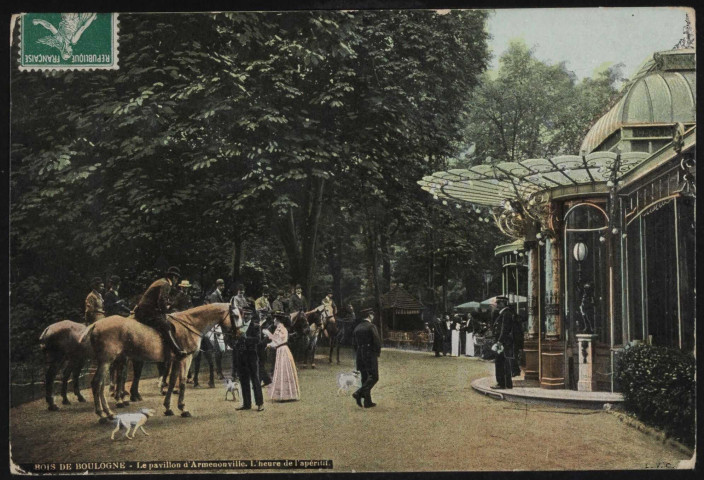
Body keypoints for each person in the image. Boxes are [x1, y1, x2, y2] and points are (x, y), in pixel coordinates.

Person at [133, 266, 185, 356]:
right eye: (177, 279)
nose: (176, 282)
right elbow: (161, 301)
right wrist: (165, 312)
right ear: (173, 277)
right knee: (166, 325)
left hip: (144, 310)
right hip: (147, 312)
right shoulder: (166, 284)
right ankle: (177, 351)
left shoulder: (161, 281)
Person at [264, 312, 300, 401]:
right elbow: (276, 341)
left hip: (283, 350)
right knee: (282, 371)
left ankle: (287, 395)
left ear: (278, 320)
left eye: (275, 319)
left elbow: (278, 341)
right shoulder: (279, 328)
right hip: (281, 350)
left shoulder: (281, 329)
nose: (274, 321)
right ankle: (285, 394)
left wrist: (268, 334)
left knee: (284, 371)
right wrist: (269, 343)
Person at [234, 312, 265, 412]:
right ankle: (246, 404)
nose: (245, 316)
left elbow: (258, 340)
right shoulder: (238, 326)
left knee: (255, 380)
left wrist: (245, 338)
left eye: (248, 314)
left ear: (251, 315)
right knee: (243, 380)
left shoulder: (255, 326)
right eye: (244, 314)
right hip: (241, 356)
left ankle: (260, 403)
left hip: (251, 356)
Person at [352, 308, 382, 408]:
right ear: (369, 315)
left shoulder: (357, 328)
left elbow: (354, 344)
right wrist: (377, 353)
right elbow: (377, 341)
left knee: (365, 378)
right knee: (374, 376)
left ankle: (367, 402)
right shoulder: (371, 326)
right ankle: (359, 393)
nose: (373, 317)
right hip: (369, 353)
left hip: (360, 354)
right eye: (372, 315)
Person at [491, 296, 515, 390]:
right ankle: (507, 383)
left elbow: (504, 329)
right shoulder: (504, 313)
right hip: (504, 342)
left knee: (500, 362)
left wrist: (499, 341)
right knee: (504, 362)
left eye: (497, 303)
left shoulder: (506, 314)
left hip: (503, 343)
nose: (496, 305)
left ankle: (502, 383)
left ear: (502, 304)